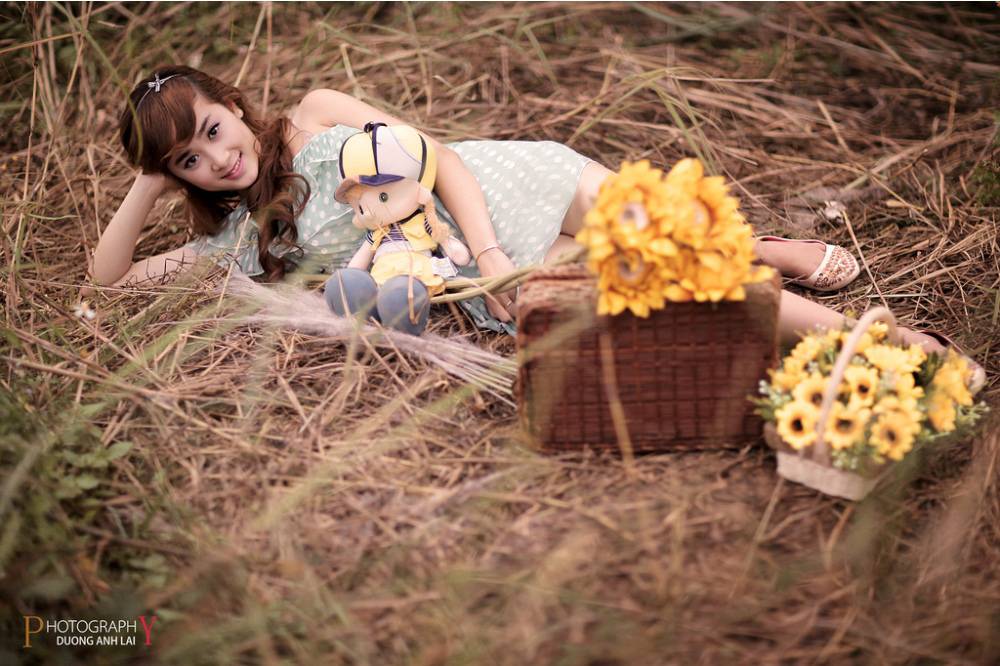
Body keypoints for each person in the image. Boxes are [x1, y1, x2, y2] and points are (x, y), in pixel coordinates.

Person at [88, 66, 984, 390]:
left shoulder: (315, 115)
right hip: (510, 272)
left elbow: (440, 160)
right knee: (680, 282)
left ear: (233, 103)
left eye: (214, 130)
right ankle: (844, 310)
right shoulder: (234, 247)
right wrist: (145, 183)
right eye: (189, 161)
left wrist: (484, 247)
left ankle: (843, 307)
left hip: (514, 190)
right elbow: (109, 281)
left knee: (678, 246)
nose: (217, 160)